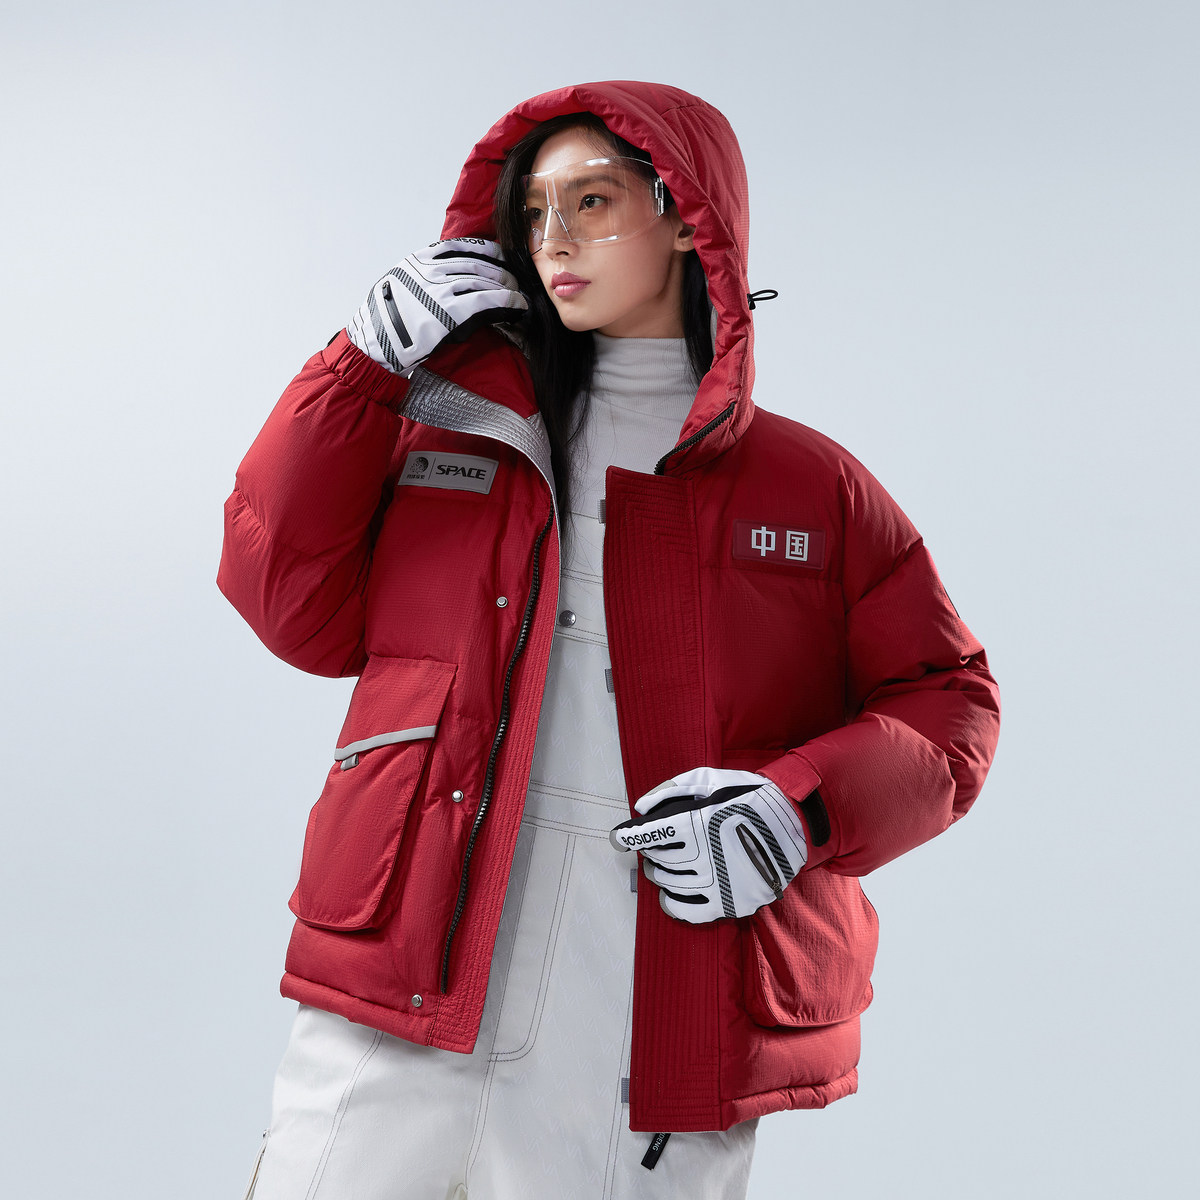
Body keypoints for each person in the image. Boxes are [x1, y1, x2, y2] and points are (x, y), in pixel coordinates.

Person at [219, 80, 1001, 1200]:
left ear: (688, 219)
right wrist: (354, 372)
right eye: (533, 211)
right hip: (402, 988)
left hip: (650, 1002)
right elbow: (284, 600)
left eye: (592, 202)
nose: (553, 240)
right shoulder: (449, 429)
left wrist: (796, 809)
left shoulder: (811, 487)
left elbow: (948, 704)